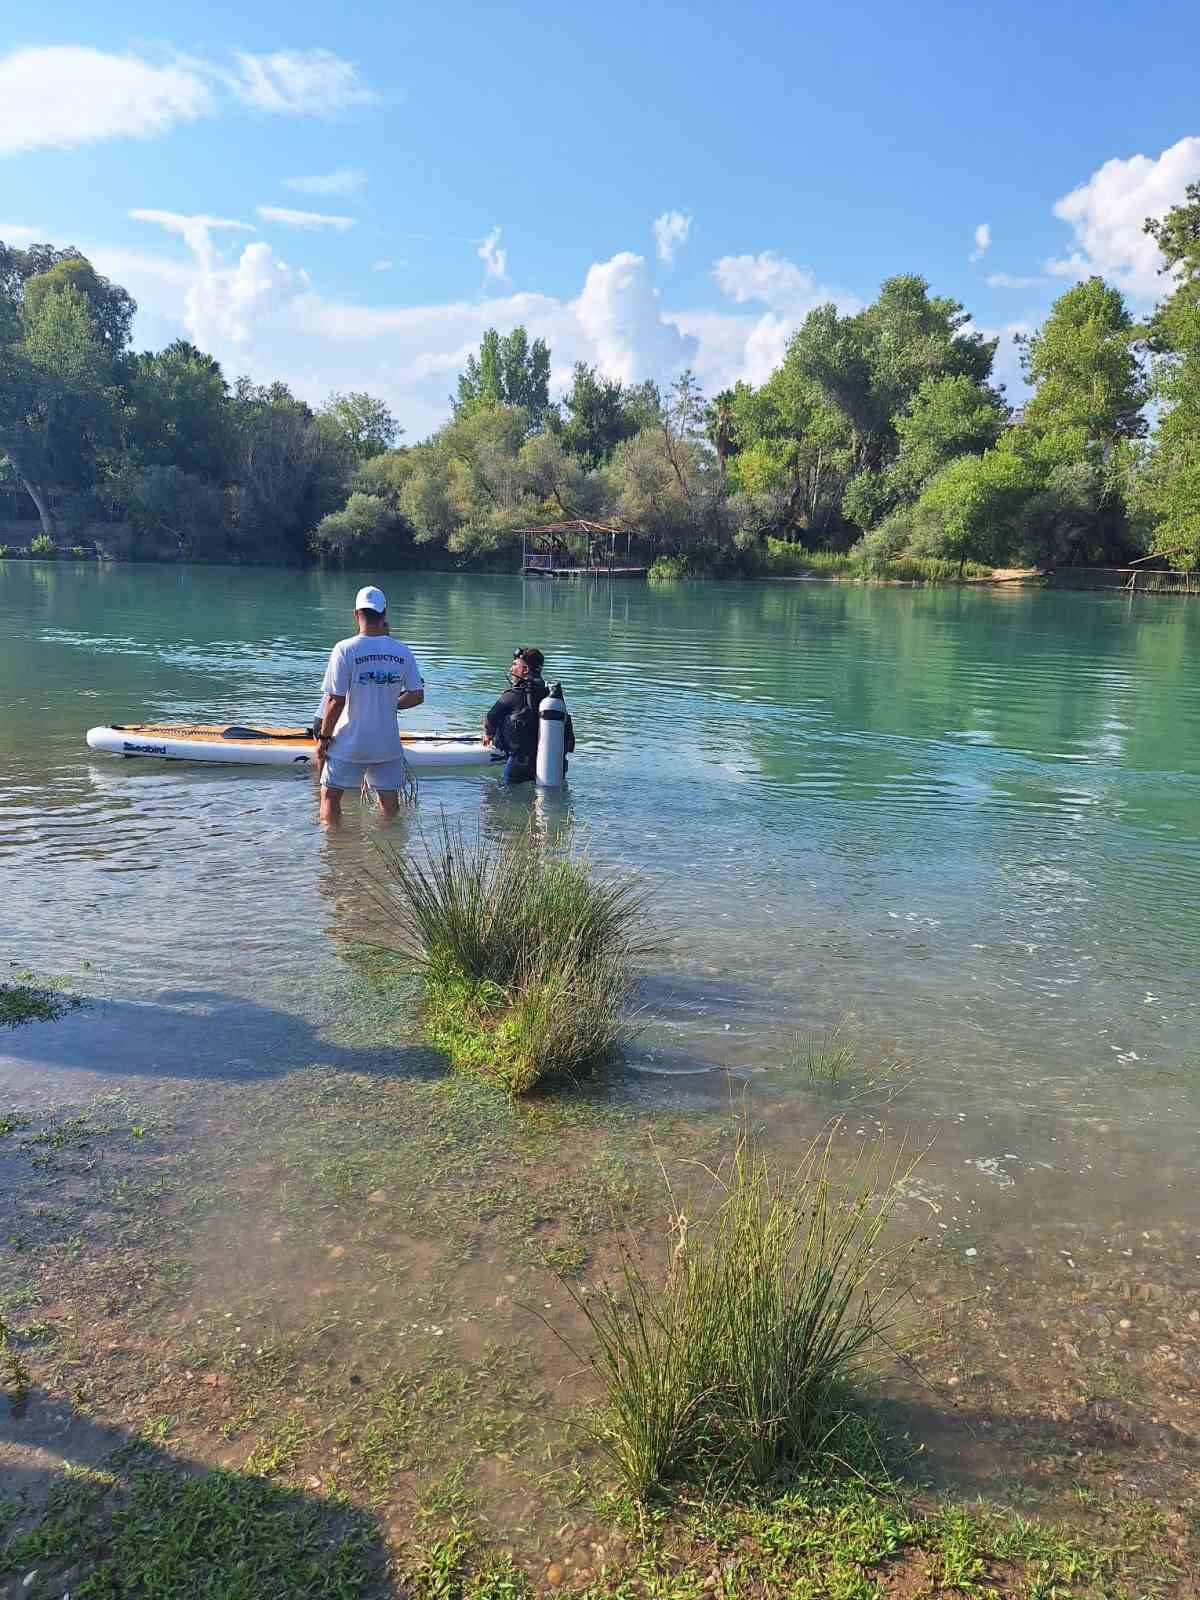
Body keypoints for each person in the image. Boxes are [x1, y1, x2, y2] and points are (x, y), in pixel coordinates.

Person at [316, 585, 424, 823]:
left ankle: (334, 850)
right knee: (389, 802)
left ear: (355, 614)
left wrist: (323, 739)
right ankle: (389, 848)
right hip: (387, 742)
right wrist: (388, 704)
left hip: (350, 741)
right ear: (384, 615)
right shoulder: (403, 651)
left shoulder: (344, 649)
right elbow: (417, 695)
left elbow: (336, 700)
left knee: (330, 797)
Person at [484, 647, 547, 785]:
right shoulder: (550, 695)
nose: (511, 669)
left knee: (507, 796)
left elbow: (490, 719)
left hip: (520, 762)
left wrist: (488, 735)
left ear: (525, 670)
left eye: (514, 665)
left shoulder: (512, 695)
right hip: (550, 762)